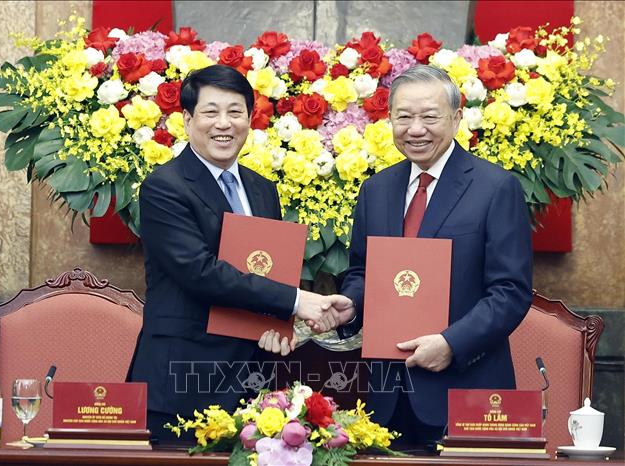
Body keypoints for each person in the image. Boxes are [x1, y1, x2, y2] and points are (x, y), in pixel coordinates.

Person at [269, 65, 533, 448]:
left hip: (467, 391)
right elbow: (363, 270)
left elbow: (510, 291)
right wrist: (351, 304)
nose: (415, 129)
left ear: (457, 118)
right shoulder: (376, 190)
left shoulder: (496, 188)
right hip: (387, 396)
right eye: (404, 117)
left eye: (430, 117)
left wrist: (451, 344)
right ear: (389, 119)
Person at [127, 65, 333, 442]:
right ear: (187, 120)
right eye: (211, 112)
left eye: (235, 112)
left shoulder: (262, 189)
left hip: (252, 386)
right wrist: (296, 301)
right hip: (183, 382)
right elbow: (200, 272)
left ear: (250, 119)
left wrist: (276, 326)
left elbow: (267, 269)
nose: (224, 123)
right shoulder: (164, 187)